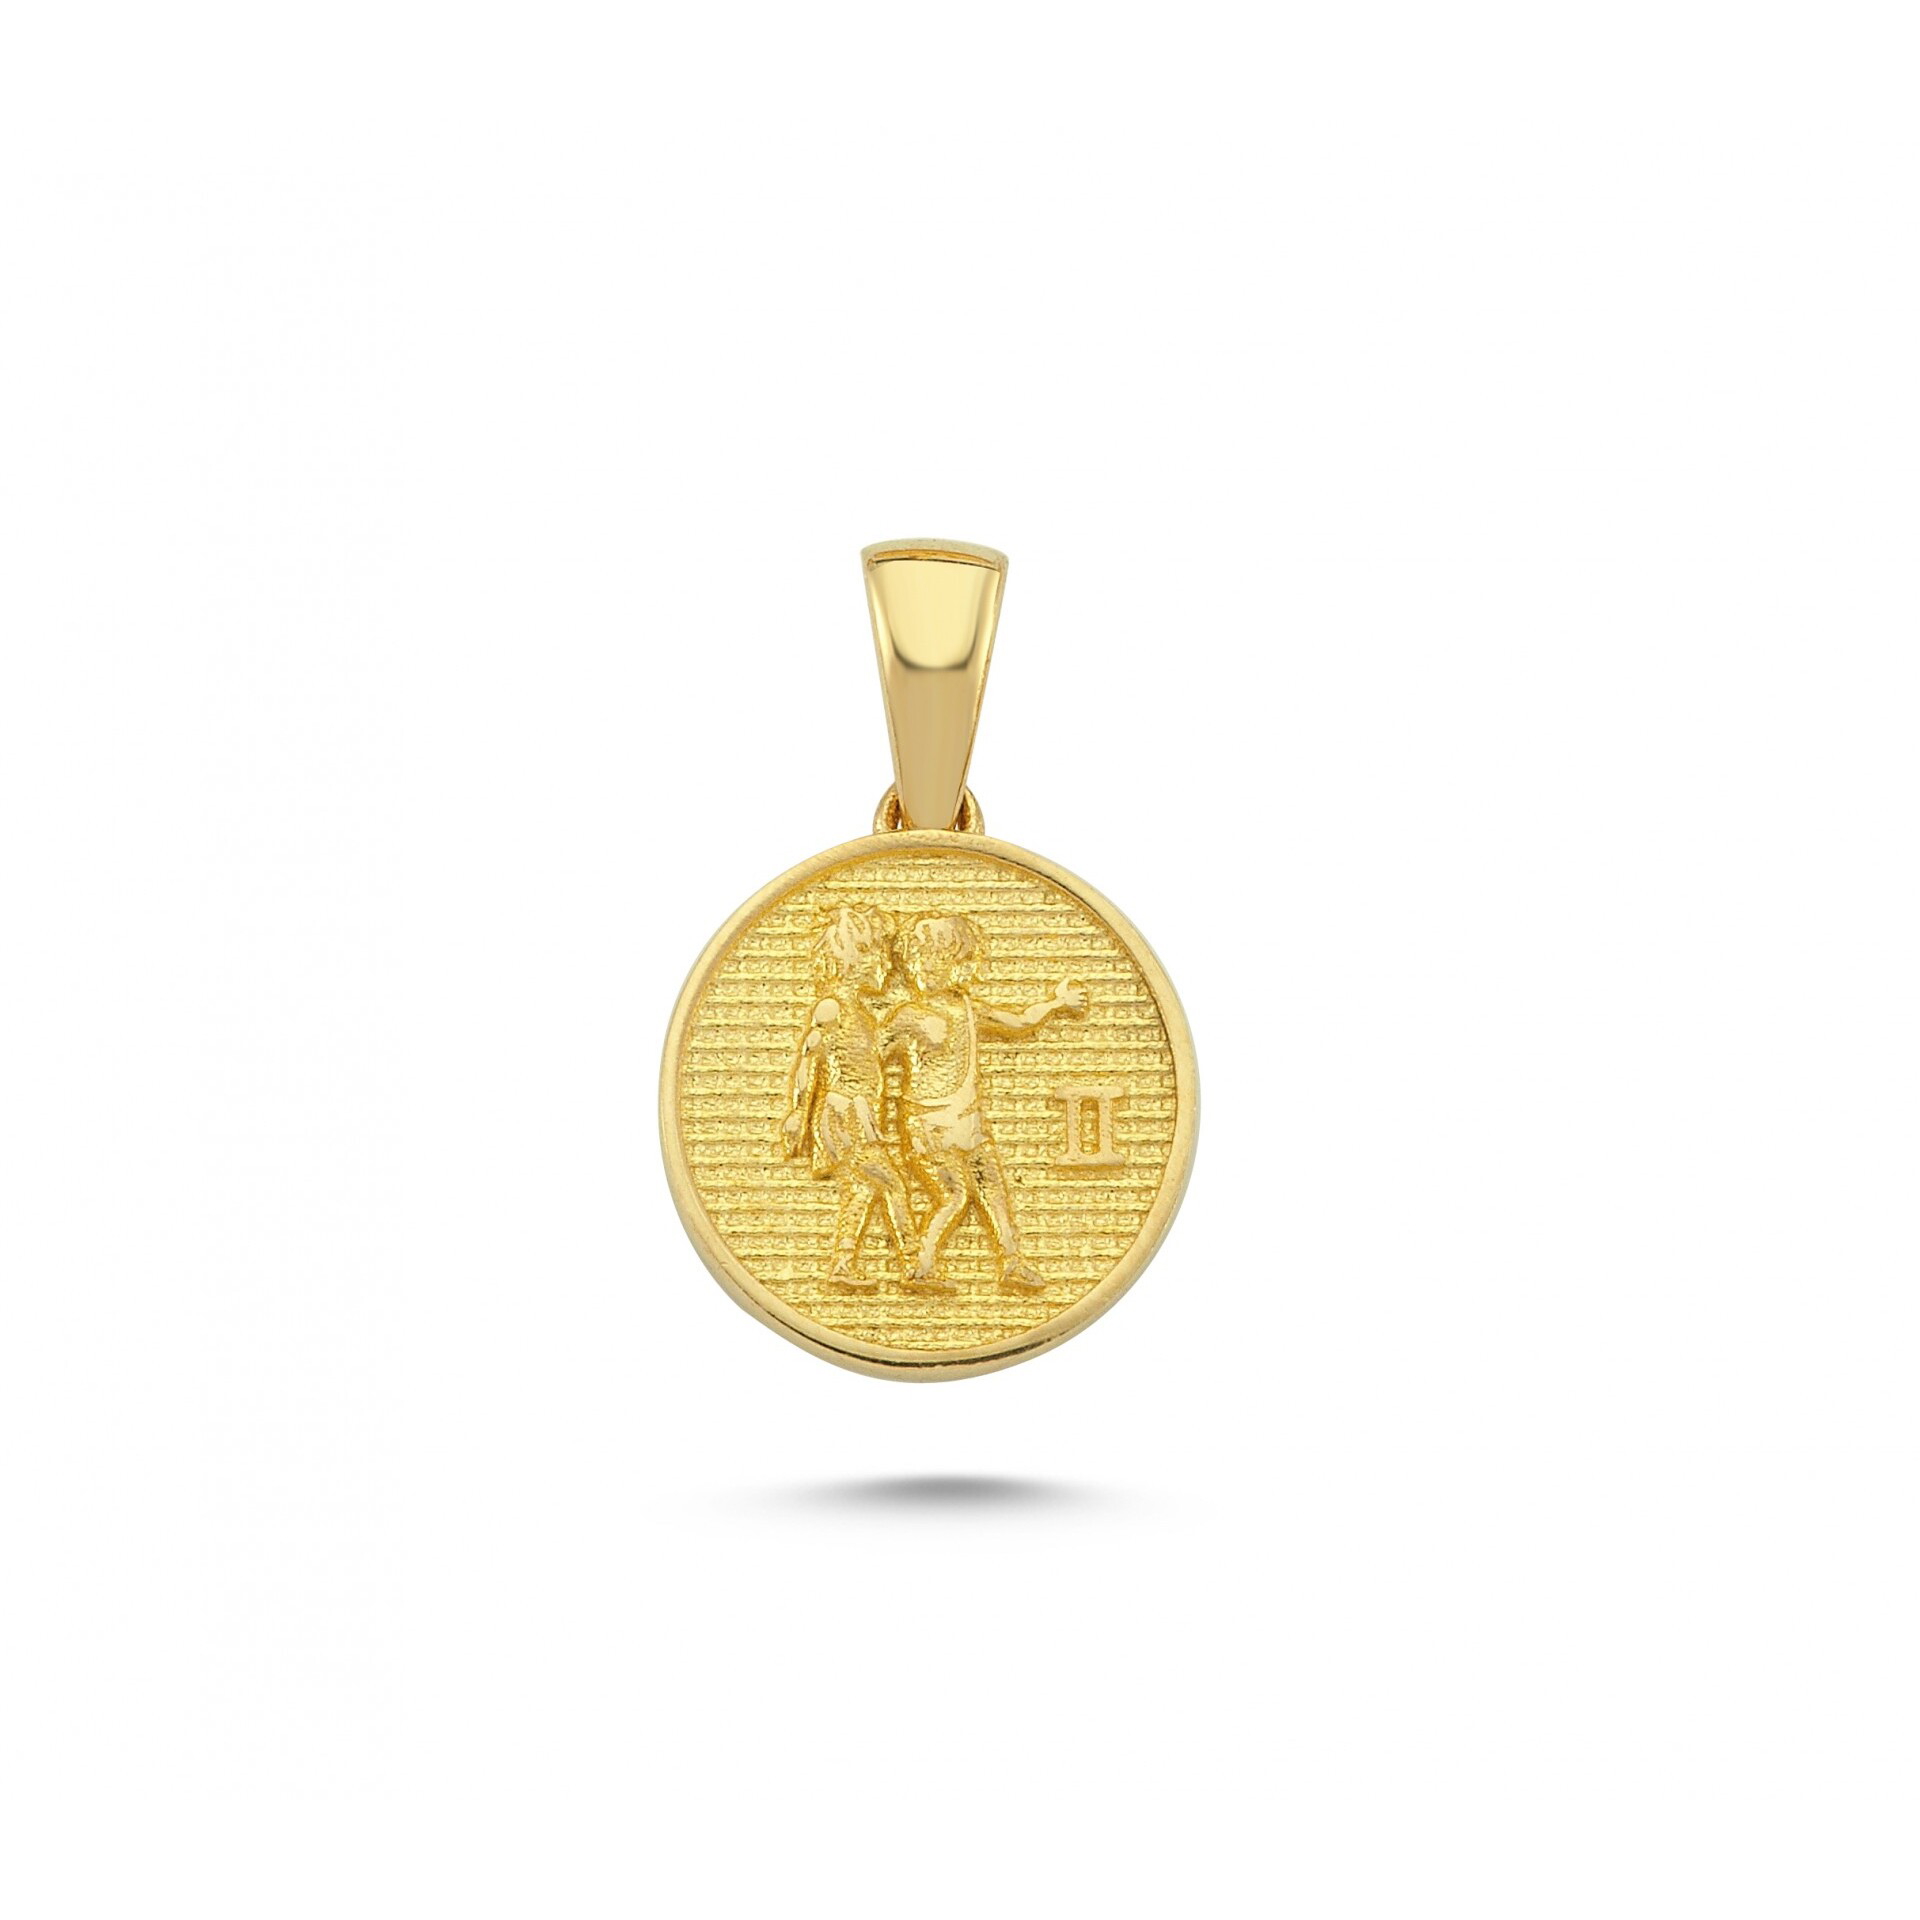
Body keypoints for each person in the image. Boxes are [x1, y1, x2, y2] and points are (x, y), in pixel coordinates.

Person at [883, 914, 1087, 1291]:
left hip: (970, 1123)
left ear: (957, 962)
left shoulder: (968, 1007)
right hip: (929, 1125)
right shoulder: (907, 1016)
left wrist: (1056, 1003)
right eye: (917, 960)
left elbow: (1019, 1022)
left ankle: (1012, 1262)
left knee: (994, 1190)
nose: (922, 969)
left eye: (935, 959)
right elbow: (872, 1058)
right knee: (955, 1195)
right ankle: (920, 1266)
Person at [779, 906, 914, 1287]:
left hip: (860, 1112)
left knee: (861, 1190)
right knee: (893, 1184)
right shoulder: (832, 1005)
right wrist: (797, 1112)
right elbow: (810, 1055)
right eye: (880, 953)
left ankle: (842, 1266)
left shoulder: (860, 1012)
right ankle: (916, 1265)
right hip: (845, 1114)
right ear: (855, 956)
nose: (887, 965)